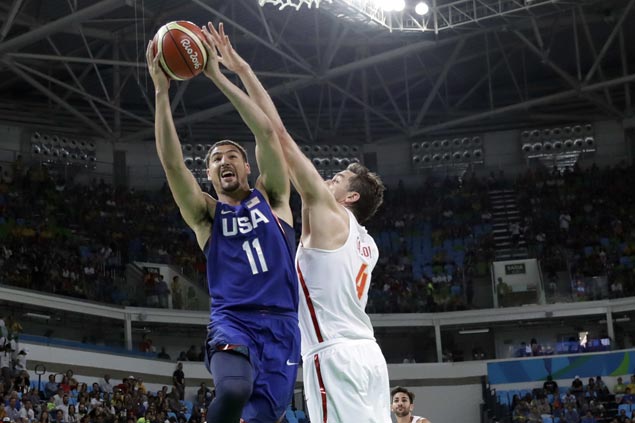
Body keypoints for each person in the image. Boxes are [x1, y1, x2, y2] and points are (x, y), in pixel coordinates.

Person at [202, 22, 389, 423]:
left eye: (336, 179)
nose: (326, 179)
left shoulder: (328, 211)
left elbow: (278, 138)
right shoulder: (367, 244)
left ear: (350, 197)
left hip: (333, 354)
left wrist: (240, 71)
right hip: (370, 356)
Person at [146, 25, 299, 423]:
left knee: (262, 416)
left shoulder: (274, 198)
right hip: (233, 320)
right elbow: (172, 163)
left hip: (283, 325)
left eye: (231, 155)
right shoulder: (206, 216)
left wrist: (216, 74)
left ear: (247, 166)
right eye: (214, 159)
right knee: (233, 389)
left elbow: (265, 131)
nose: (223, 161)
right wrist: (162, 92)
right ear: (210, 176)